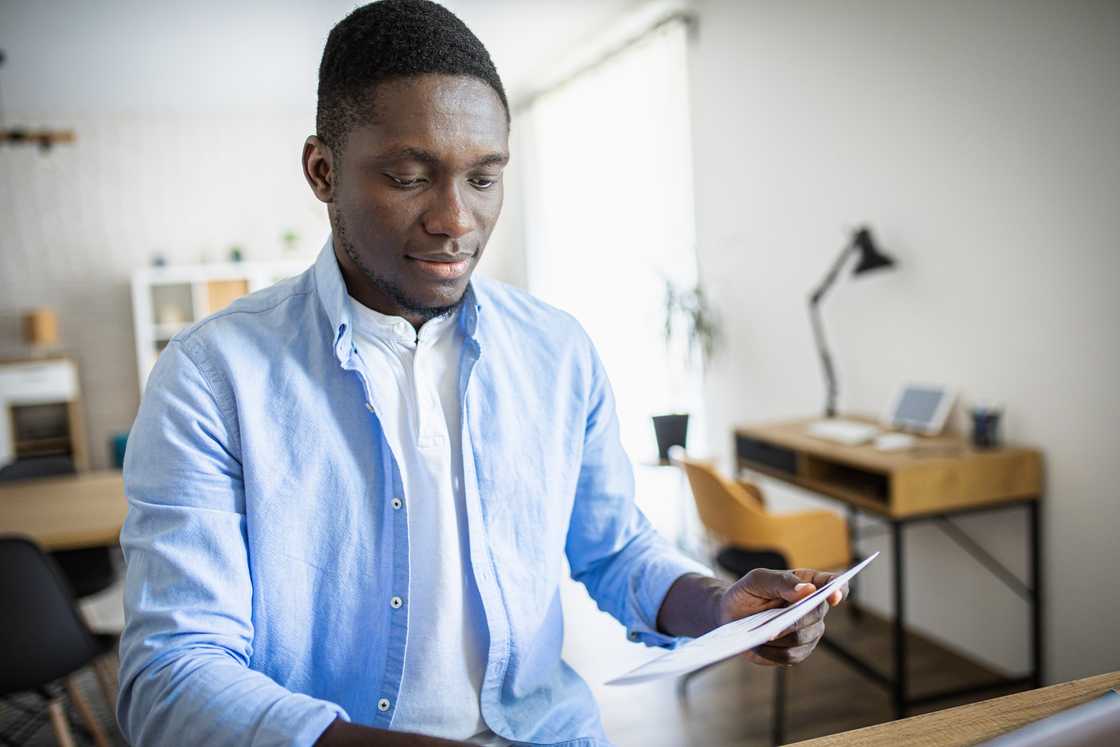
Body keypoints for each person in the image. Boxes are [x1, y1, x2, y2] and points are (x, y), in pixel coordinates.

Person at [116, 2, 847, 746]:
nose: (456, 219)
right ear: (322, 171)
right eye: (409, 177)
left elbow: (615, 548)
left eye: (484, 178)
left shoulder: (555, 352)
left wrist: (718, 605)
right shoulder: (211, 378)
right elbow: (172, 676)